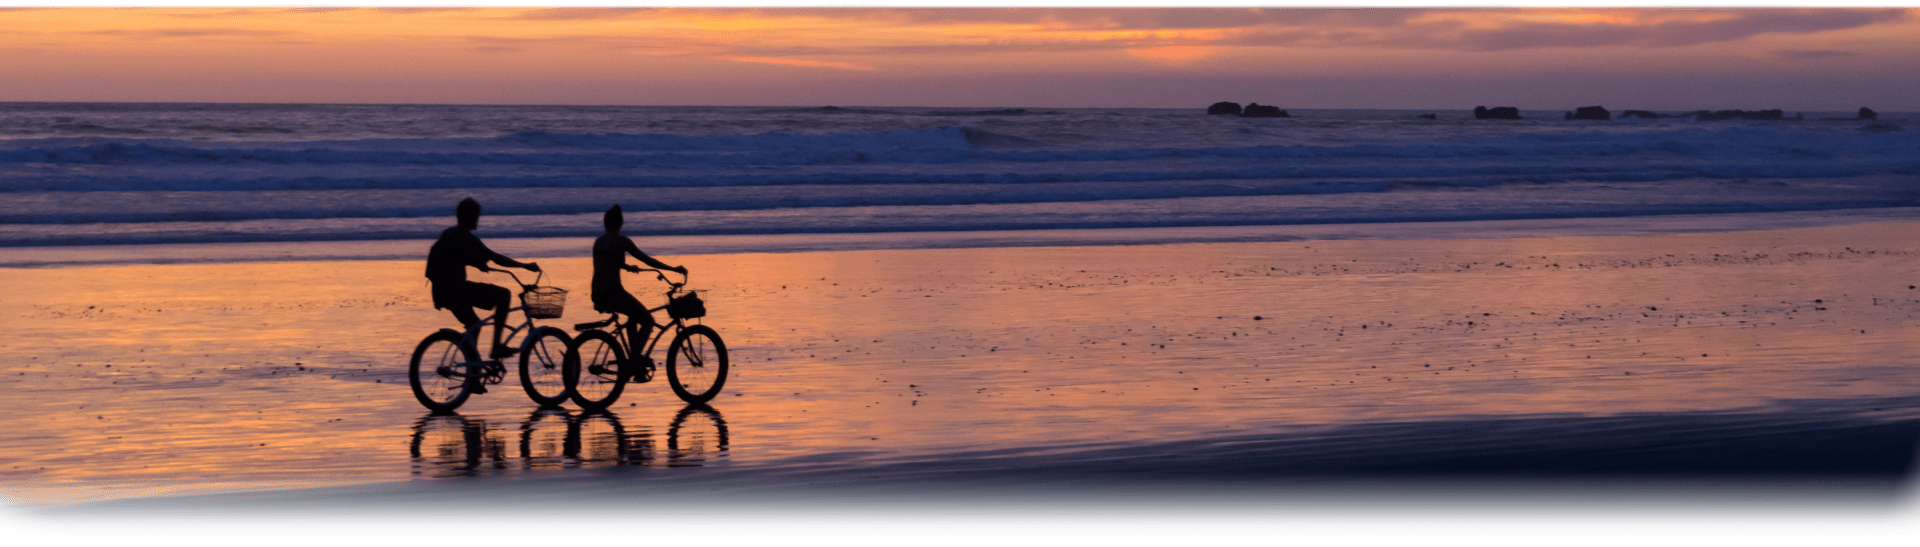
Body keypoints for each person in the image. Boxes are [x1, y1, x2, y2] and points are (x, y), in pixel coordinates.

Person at [425, 197, 541, 359]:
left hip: (441, 292)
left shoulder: (449, 233)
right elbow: (497, 258)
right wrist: (524, 266)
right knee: (504, 295)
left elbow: (453, 258)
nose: (478, 219)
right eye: (477, 216)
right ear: (471, 217)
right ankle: (496, 346)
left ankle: (472, 370)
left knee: (474, 325)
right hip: (457, 290)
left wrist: (476, 263)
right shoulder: (468, 238)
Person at [592, 204, 685, 346]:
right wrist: (673, 269)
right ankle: (635, 357)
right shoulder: (622, 241)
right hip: (613, 293)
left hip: (597, 293)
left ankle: (633, 353)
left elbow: (608, 262)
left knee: (633, 315)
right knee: (648, 321)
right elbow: (647, 260)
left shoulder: (598, 242)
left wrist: (628, 267)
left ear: (605, 223)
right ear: (621, 223)